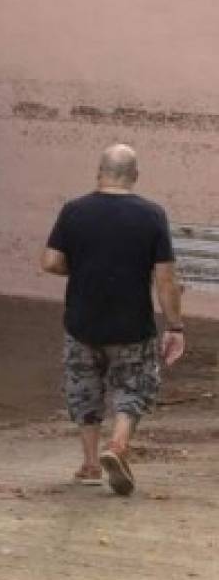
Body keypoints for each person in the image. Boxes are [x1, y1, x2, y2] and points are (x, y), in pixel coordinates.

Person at [41, 143, 184, 496]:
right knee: (134, 388)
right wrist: (176, 327)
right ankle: (117, 446)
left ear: (99, 172)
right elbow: (165, 279)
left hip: (82, 322)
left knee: (84, 390)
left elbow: (50, 262)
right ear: (134, 177)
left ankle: (90, 464)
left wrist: (86, 266)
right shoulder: (152, 215)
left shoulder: (74, 211)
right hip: (132, 326)